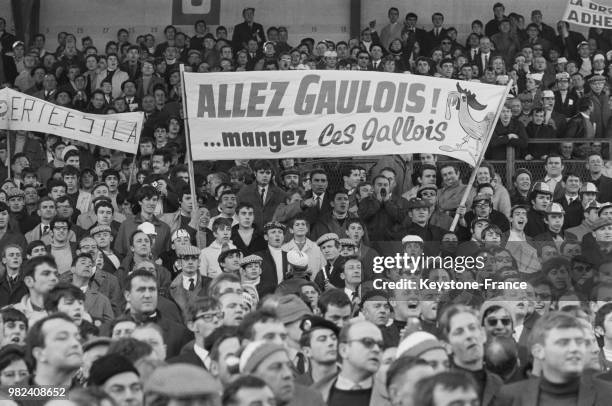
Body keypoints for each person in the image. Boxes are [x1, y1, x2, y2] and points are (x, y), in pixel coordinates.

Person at [493, 312, 612, 405]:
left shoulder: (607, 394)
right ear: (538, 351)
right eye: (563, 342)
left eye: (579, 342)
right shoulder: (510, 397)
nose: (574, 348)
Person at [312, 319, 382, 405]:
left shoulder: (394, 395)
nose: (376, 349)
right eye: (368, 342)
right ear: (344, 350)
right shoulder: (312, 396)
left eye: (380, 345)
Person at [239, 340, 325, 406]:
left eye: (289, 366)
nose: (288, 374)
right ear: (250, 377)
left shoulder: (311, 399)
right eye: (276, 367)